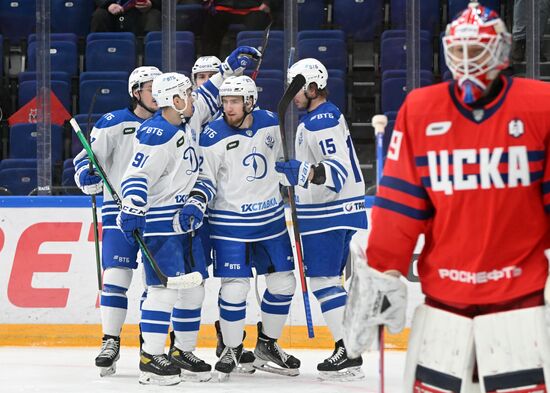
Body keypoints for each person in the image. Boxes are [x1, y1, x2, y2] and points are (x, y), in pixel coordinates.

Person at [343, 4, 550, 392]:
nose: (468, 62)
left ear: (501, 52)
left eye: (478, 51)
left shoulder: (541, 106)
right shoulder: (421, 110)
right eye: (460, 51)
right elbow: (399, 205)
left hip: (518, 300)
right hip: (444, 304)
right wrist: (383, 271)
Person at [117, 46, 261, 386]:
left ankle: (181, 350)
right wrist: (134, 208)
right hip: (162, 222)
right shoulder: (157, 133)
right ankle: (151, 356)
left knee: (193, 288)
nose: (194, 98)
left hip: (188, 223)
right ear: (175, 99)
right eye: (187, 94)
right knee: (164, 290)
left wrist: (229, 66)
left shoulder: (187, 118)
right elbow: (136, 177)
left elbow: (209, 94)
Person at [186, 75, 300, 381]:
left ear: (250, 101)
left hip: (271, 221)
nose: (228, 107)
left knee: (283, 284)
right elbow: (205, 178)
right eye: (225, 101)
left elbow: (282, 165)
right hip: (229, 224)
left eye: (235, 101)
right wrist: (198, 202)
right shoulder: (212, 135)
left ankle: (266, 345)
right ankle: (232, 348)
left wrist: (291, 173)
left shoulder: (270, 123)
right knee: (235, 289)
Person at [275, 58, 367, 381]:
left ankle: (349, 351)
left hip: (330, 212)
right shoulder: (317, 118)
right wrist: (296, 178)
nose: (293, 94)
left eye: (297, 88)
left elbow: (336, 172)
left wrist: (304, 173)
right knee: (330, 283)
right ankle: (349, 349)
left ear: (312, 88)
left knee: (324, 282)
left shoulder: (321, 121)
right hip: (334, 212)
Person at [73, 66, 162, 377]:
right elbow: (87, 160)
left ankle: (150, 345)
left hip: (159, 214)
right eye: (152, 88)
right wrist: (87, 175)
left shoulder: (172, 125)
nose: (158, 94)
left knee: (158, 284)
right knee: (116, 277)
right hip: (117, 211)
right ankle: (110, 341)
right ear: (136, 92)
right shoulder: (112, 123)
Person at [201, 0, 272, 58]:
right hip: (222, 6)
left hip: (254, 7)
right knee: (210, 27)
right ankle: (209, 64)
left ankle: (254, 63)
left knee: (256, 31)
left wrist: (267, 3)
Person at [91, 0, 161, 35]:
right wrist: (108, 4)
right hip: (111, 11)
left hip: (141, 12)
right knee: (99, 15)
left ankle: (151, 56)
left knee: (154, 15)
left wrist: (151, 2)